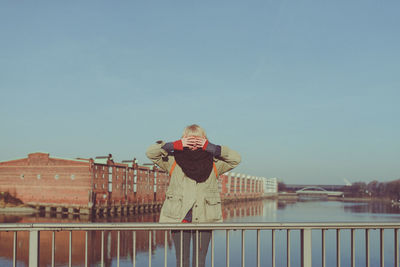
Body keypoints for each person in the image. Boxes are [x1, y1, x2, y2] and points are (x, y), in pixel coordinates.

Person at [146, 124, 241, 267]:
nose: (194, 142)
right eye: (190, 138)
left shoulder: (215, 163)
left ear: (205, 140)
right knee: (182, 261)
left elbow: (236, 159)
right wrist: (174, 145)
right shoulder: (173, 161)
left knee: (200, 262)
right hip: (179, 218)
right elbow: (151, 153)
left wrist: (213, 148)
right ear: (183, 140)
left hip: (204, 218)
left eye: (198, 139)